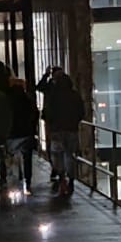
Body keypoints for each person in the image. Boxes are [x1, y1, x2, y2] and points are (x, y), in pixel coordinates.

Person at [36, 65, 84, 197]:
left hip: (57, 129)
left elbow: (40, 90)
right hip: (71, 129)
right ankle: (71, 180)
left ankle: (62, 177)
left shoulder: (53, 94)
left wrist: (50, 122)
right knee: (70, 155)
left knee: (58, 155)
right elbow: (81, 112)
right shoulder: (74, 95)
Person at [5, 73, 39, 194]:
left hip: (11, 134)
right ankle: (27, 181)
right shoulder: (28, 99)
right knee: (27, 158)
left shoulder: (6, 100)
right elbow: (35, 114)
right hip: (26, 133)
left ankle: (9, 181)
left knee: (10, 157)